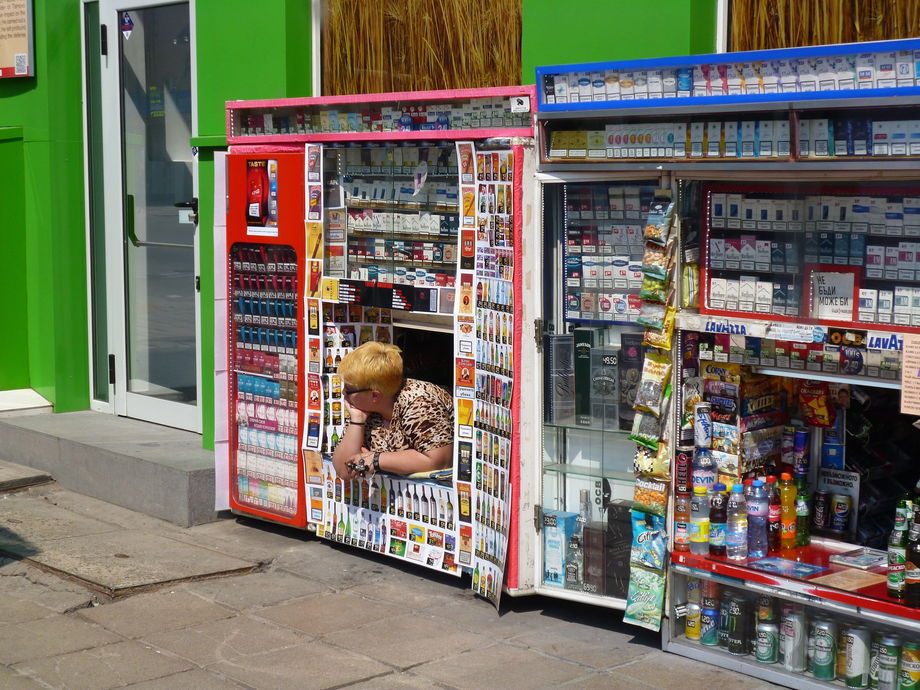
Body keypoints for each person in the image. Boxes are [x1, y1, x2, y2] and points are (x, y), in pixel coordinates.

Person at [332, 341, 453, 480]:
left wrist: (376, 459)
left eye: (349, 390)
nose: (343, 393)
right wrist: (357, 421)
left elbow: (439, 461)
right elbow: (344, 470)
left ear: (375, 395)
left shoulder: (420, 402)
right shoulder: (364, 409)